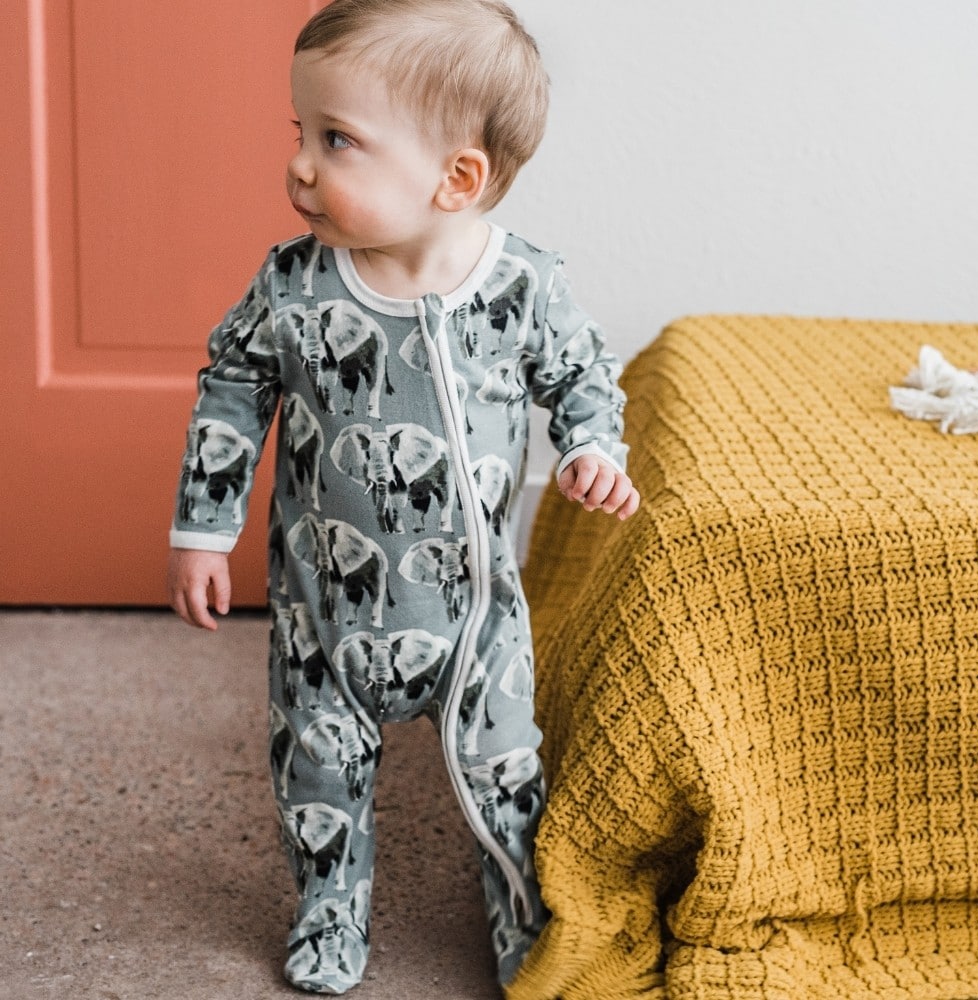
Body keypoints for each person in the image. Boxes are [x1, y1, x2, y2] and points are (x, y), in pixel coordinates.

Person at [167, 0, 640, 993]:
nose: (300, 163)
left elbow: (582, 375)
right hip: (323, 606)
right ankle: (330, 905)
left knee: (507, 769)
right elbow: (230, 390)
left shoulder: (523, 287)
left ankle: (521, 911)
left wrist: (594, 444)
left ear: (456, 176)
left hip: (476, 615)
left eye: (336, 139)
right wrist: (203, 531)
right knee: (318, 771)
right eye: (300, 132)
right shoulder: (294, 288)